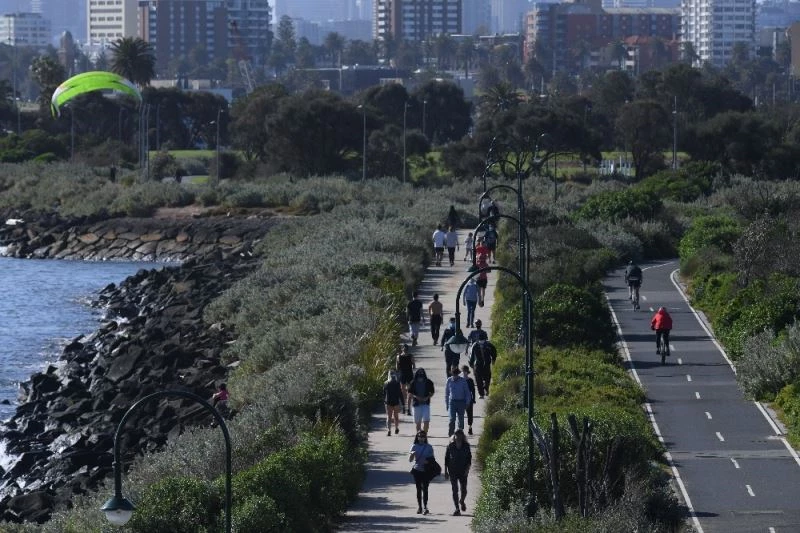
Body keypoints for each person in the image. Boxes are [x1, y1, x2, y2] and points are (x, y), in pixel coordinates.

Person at [444, 429, 472, 516]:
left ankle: (462, 501)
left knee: (464, 490)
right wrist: (445, 472)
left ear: (463, 436)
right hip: (452, 471)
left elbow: (469, 460)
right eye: (456, 434)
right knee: (454, 490)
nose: (458, 436)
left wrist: (467, 470)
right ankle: (457, 508)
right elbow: (446, 459)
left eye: (460, 434)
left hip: (463, 471)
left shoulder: (466, 446)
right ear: (454, 435)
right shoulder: (450, 446)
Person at [409, 430, 435, 515]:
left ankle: (425, 507)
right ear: (417, 437)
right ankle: (420, 507)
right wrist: (412, 454)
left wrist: (427, 462)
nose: (421, 438)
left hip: (426, 470)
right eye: (419, 436)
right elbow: (410, 460)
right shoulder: (414, 446)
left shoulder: (429, 447)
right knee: (419, 489)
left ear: (425, 438)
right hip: (417, 470)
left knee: (425, 489)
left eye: (423, 436)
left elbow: (432, 460)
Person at [445, 365, 472, 436]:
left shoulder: (463, 381)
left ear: (458, 374)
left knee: (461, 419)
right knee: (452, 419)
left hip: (461, 402)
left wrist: (467, 403)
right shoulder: (449, 380)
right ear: (452, 374)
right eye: (453, 374)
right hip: (452, 402)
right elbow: (447, 393)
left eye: (456, 374)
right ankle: (451, 434)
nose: (455, 376)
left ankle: (460, 434)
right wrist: (447, 404)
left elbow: (467, 393)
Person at [410, 368, 435, 433]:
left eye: (422, 376)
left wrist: (427, 397)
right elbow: (410, 393)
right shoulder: (413, 382)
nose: (420, 378)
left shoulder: (428, 382)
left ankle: (425, 435)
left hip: (425, 404)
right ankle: (419, 436)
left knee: (426, 421)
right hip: (416, 404)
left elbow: (432, 392)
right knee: (418, 422)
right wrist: (416, 397)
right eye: (419, 376)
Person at [396, 344, 415, 414]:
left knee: (403, 392)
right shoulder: (411, 356)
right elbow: (414, 366)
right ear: (408, 349)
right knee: (409, 392)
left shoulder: (398, 356)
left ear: (402, 349)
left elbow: (397, 368)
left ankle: (404, 407)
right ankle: (409, 409)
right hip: (409, 374)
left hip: (402, 375)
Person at [384, 371, 403, 436]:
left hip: (388, 402)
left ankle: (389, 430)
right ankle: (396, 428)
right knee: (396, 416)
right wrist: (402, 402)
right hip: (396, 401)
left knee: (389, 417)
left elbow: (384, 393)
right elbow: (400, 393)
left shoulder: (386, 383)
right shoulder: (397, 383)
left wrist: (384, 400)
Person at [461, 365, 477, 435]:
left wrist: (473, 399)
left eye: (465, 371)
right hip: (461, 399)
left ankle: (470, 427)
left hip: (468, 399)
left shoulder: (470, 380)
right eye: (463, 371)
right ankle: (460, 428)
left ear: (467, 372)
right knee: (460, 414)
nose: (464, 373)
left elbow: (473, 390)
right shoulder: (460, 380)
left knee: (470, 414)